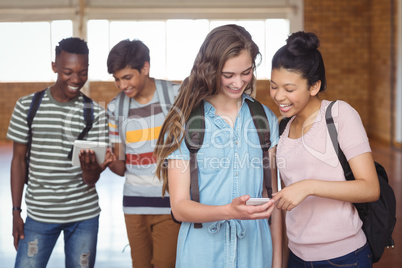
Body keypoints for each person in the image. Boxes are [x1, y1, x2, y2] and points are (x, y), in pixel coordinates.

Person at [154, 24, 282, 267]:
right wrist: (230, 211)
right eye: (228, 75)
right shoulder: (185, 122)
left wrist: (276, 262)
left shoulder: (265, 120)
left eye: (246, 72)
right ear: (210, 71)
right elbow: (180, 207)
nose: (239, 82)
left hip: (255, 253)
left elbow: (271, 199)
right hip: (201, 254)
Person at [269, 31, 380, 267]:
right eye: (273, 86)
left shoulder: (339, 115)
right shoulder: (282, 128)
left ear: (314, 86)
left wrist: (308, 187)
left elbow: (370, 188)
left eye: (289, 89)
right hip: (297, 255)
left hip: (344, 257)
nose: (279, 96)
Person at [7, 37, 110, 267]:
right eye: (68, 71)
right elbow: (18, 162)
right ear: (54, 67)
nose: (76, 79)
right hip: (39, 215)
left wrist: (91, 170)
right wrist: (16, 211)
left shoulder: (95, 114)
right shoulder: (27, 106)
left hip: (83, 216)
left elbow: (91, 180)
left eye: (82, 72)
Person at [106, 39, 181, 268]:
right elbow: (121, 168)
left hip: (169, 204)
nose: (122, 85)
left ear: (145, 68)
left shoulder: (175, 96)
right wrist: (108, 161)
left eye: (127, 77)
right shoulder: (115, 108)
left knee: (165, 264)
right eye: (117, 79)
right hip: (134, 206)